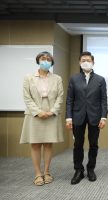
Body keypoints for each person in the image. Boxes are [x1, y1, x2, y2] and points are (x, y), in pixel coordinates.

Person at [20, 51, 64, 186]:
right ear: (38, 60)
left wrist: (52, 111)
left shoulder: (57, 78)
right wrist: (38, 112)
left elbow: (60, 96)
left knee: (48, 144)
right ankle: (38, 174)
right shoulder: (28, 78)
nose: (45, 61)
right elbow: (27, 97)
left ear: (52, 62)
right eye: (43, 58)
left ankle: (47, 172)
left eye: (48, 59)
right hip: (34, 115)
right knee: (35, 144)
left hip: (52, 114)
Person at [66, 51, 108, 185]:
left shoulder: (100, 80)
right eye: (83, 60)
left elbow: (103, 100)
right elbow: (69, 100)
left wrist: (103, 117)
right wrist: (68, 118)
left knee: (93, 144)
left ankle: (91, 169)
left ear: (93, 62)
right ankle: (78, 170)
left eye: (88, 60)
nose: (86, 62)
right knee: (77, 144)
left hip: (95, 117)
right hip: (77, 116)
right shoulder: (74, 79)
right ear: (79, 63)